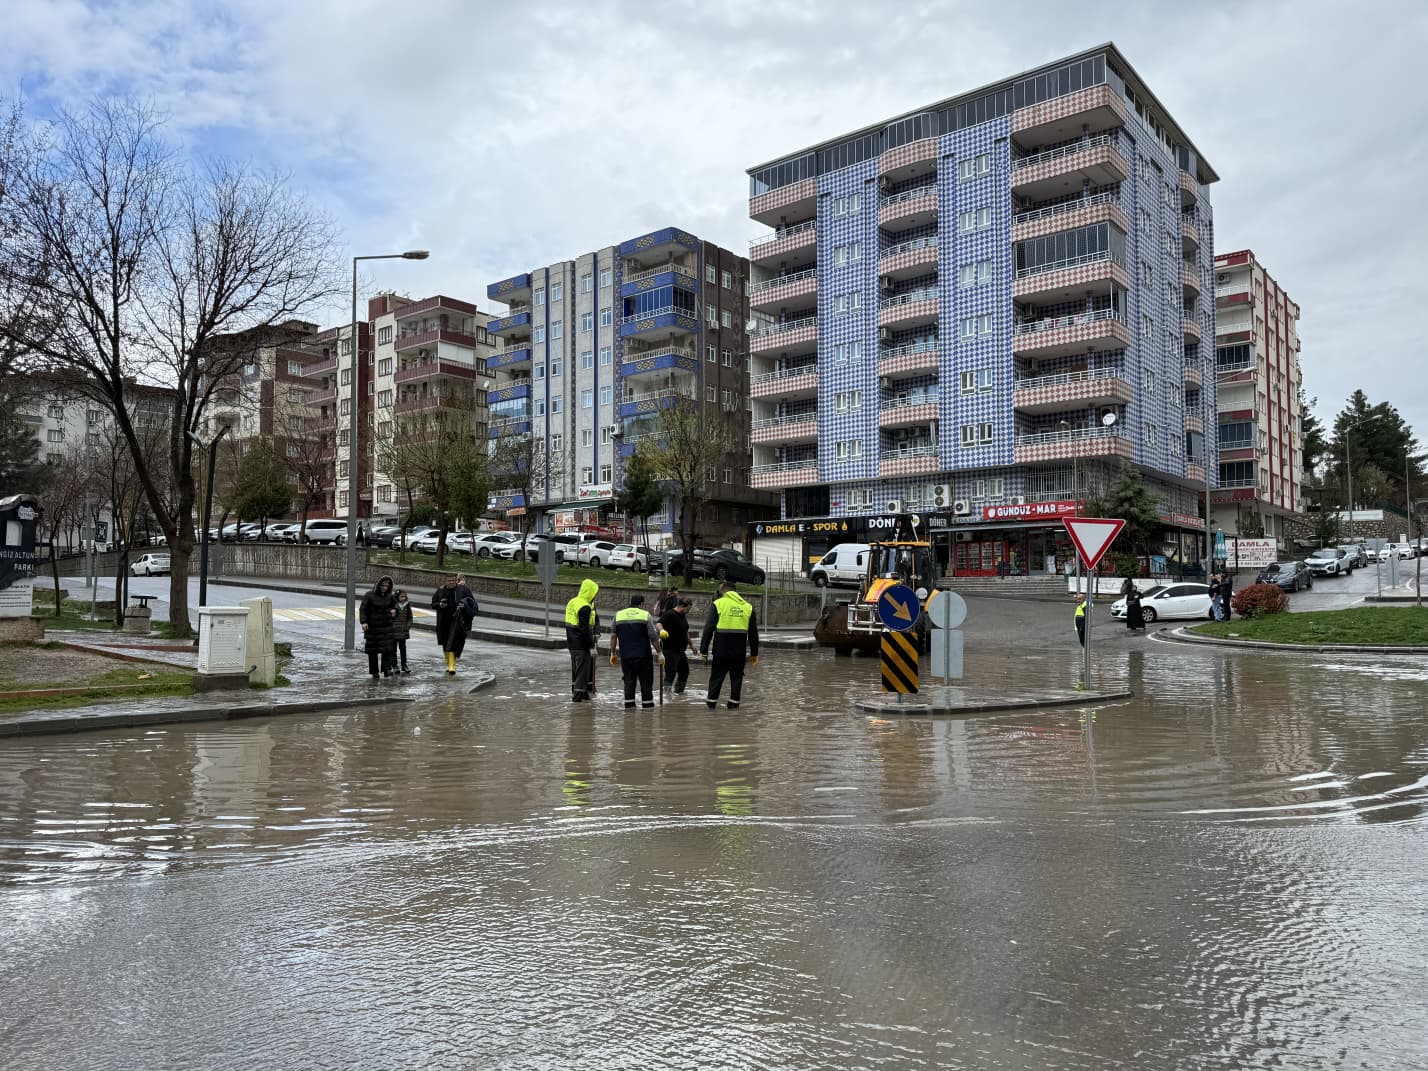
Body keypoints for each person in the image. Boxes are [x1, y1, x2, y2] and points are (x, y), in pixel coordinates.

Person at [699, 581, 759, 710]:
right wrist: (754, 653)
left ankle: (711, 706)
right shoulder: (748, 607)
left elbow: (708, 629)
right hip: (739, 653)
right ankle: (733, 705)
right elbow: (753, 633)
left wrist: (704, 651)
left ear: (723, 592)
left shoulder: (718, 604)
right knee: (737, 679)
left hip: (720, 652)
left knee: (716, 678)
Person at [611, 593, 662, 710]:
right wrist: (660, 653)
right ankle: (648, 710)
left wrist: (613, 653)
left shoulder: (618, 615)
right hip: (643, 657)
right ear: (642, 604)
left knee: (629, 683)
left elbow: (613, 636)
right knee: (646, 684)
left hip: (626, 657)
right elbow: (653, 637)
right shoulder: (645, 615)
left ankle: (629, 711)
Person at [431, 573, 477, 676]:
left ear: (456, 580)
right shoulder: (441, 590)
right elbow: (433, 604)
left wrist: (464, 605)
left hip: (458, 621)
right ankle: (449, 663)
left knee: (454, 643)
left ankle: (452, 666)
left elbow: (472, 602)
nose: (451, 582)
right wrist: (440, 605)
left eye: (453, 580)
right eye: (449, 581)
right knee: (445, 643)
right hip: (443, 621)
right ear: (445, 581)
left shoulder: (463, 590)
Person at [565, 578, 601, 702]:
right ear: (590, 592)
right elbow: (584, 628)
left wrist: (596, 632)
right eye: (594, 593)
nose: (595, 595)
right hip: (581, 643)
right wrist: (591, 645)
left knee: (577, 670)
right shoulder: (584, 606)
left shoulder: (573, 602)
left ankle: (582, 693)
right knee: (582, 672)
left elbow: (595, 619)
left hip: (572, 642)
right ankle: (578, 698)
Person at [359, 574, 398, 679]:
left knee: (387, 650)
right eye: (383, 585)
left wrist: (394, 610)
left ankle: (386, 669)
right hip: (373, 628)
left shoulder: (390, 596)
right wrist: (364, 622)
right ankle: (374, 671)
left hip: (387, 627)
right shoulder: (369, 595)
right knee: (372, 651)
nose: (384, 588)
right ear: (378, 585)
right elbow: (363, 609)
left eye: (387, 586)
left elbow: (395, 606)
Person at [659, 597, 697, 695]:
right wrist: (662, 630)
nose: (688, 611)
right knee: (670, 673)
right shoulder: (670, 614)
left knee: (684, 672)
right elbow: (659, 624)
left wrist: (691, 644)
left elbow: (685, 631)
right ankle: (665, 695)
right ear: (681, 606)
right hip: (670, 650)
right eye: (687, 609)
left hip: (680, 651)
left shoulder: (682, 615)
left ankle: (678, 693)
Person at [392, 589, 413, 674]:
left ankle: (404, 664)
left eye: (405, 596)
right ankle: (394, 665)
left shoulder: (407, 605)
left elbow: (410, 617)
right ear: (397, 597)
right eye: (401, 596)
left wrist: (408, 626)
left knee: (403, 648)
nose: (403, 598)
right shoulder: (393, 605)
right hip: (393, 631)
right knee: (393, 649)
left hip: (403, 631)